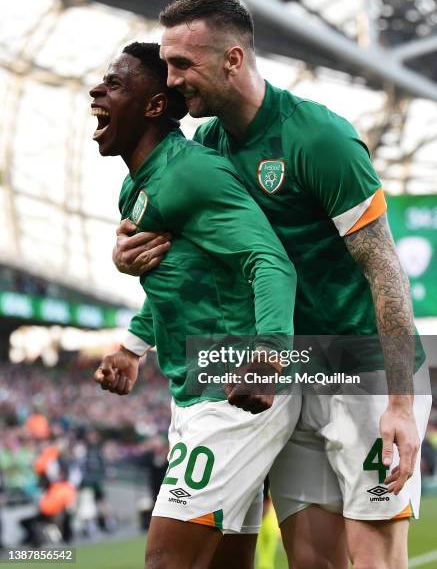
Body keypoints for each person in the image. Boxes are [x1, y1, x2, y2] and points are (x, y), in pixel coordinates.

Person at [113, 0, 432, 569]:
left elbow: (384, 269)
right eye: (167, 65)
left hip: (363, 366)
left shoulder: (319, 138)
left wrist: (403, 406)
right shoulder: (205, 150)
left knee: (375, 557)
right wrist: (128, 256)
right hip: (290, 371)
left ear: (233, 59)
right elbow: (189, 262)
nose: (172, 79)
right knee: (312, 561)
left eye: (184, 64)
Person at [91, 42, 301, 568]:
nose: (97, 90)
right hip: (195, 394)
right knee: (225, 563)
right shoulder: (135, 188)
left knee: (166, 561)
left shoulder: (190, 171)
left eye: (115, 85)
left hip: (234, 388)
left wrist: (270, 355)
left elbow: (270, 261)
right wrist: (132, 347)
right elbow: (180, 278)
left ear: (154, 106)